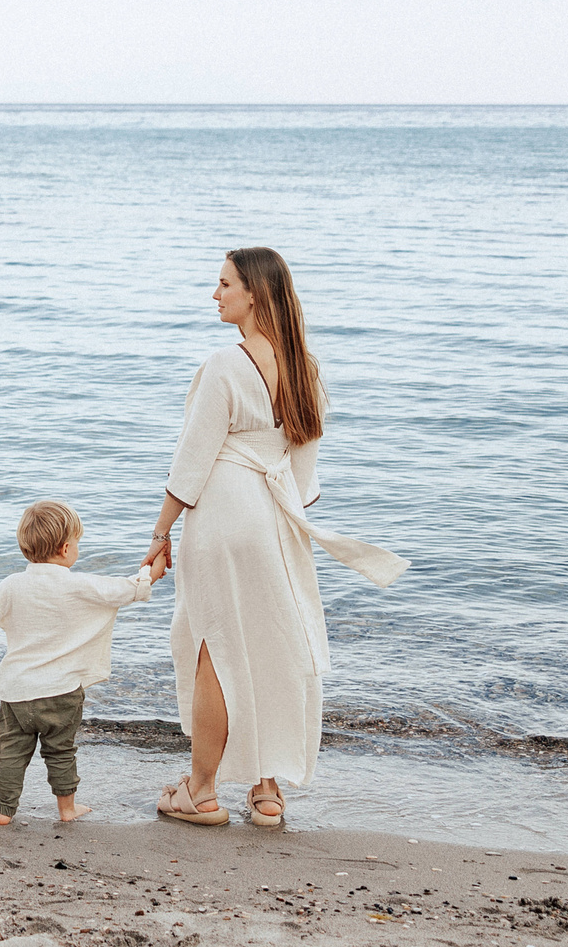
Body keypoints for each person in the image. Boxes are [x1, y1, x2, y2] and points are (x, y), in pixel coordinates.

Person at [143, 247, 406, 829]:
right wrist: (284, 514)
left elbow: (192, 462)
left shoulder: (224, 365)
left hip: (222, 514)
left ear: (254, 294)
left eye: (224, 284)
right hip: (278, 517)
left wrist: (160, 532)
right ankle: (266, 793)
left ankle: (202, 792)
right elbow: (304, 478)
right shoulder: (306, 368)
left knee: (212, 648)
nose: (215, 294)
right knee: (269, 647)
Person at [0, 500, 157, 826]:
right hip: (62, 692)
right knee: (60, 752)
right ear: (65, 547)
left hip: (17, 691)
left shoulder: (12, 585)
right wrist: (153, 565)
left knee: (12, 753)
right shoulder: (80, 585)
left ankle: (3, 811)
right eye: (77, 543)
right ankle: (67, 810)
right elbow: (129, 589)